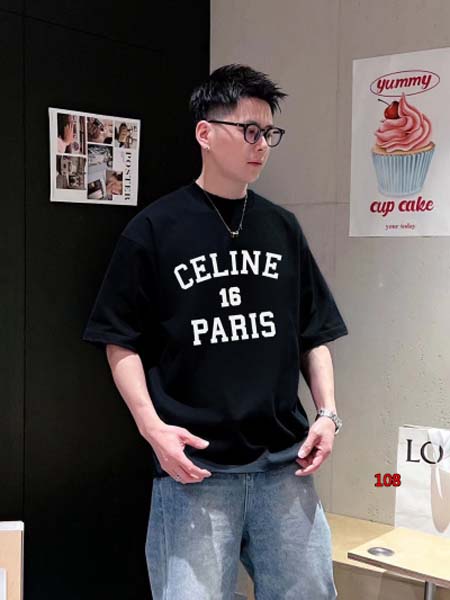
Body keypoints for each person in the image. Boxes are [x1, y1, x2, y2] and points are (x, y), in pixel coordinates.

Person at [82, 63, 348, 599]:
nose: (261, 145)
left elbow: (313, 332)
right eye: (249, 130)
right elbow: (119, 340)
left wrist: (328, 413)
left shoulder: (282, 227)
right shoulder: (154, 230)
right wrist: (152, 429)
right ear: (205, 133)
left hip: (284, 466)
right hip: (195, 470)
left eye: (268, 133)